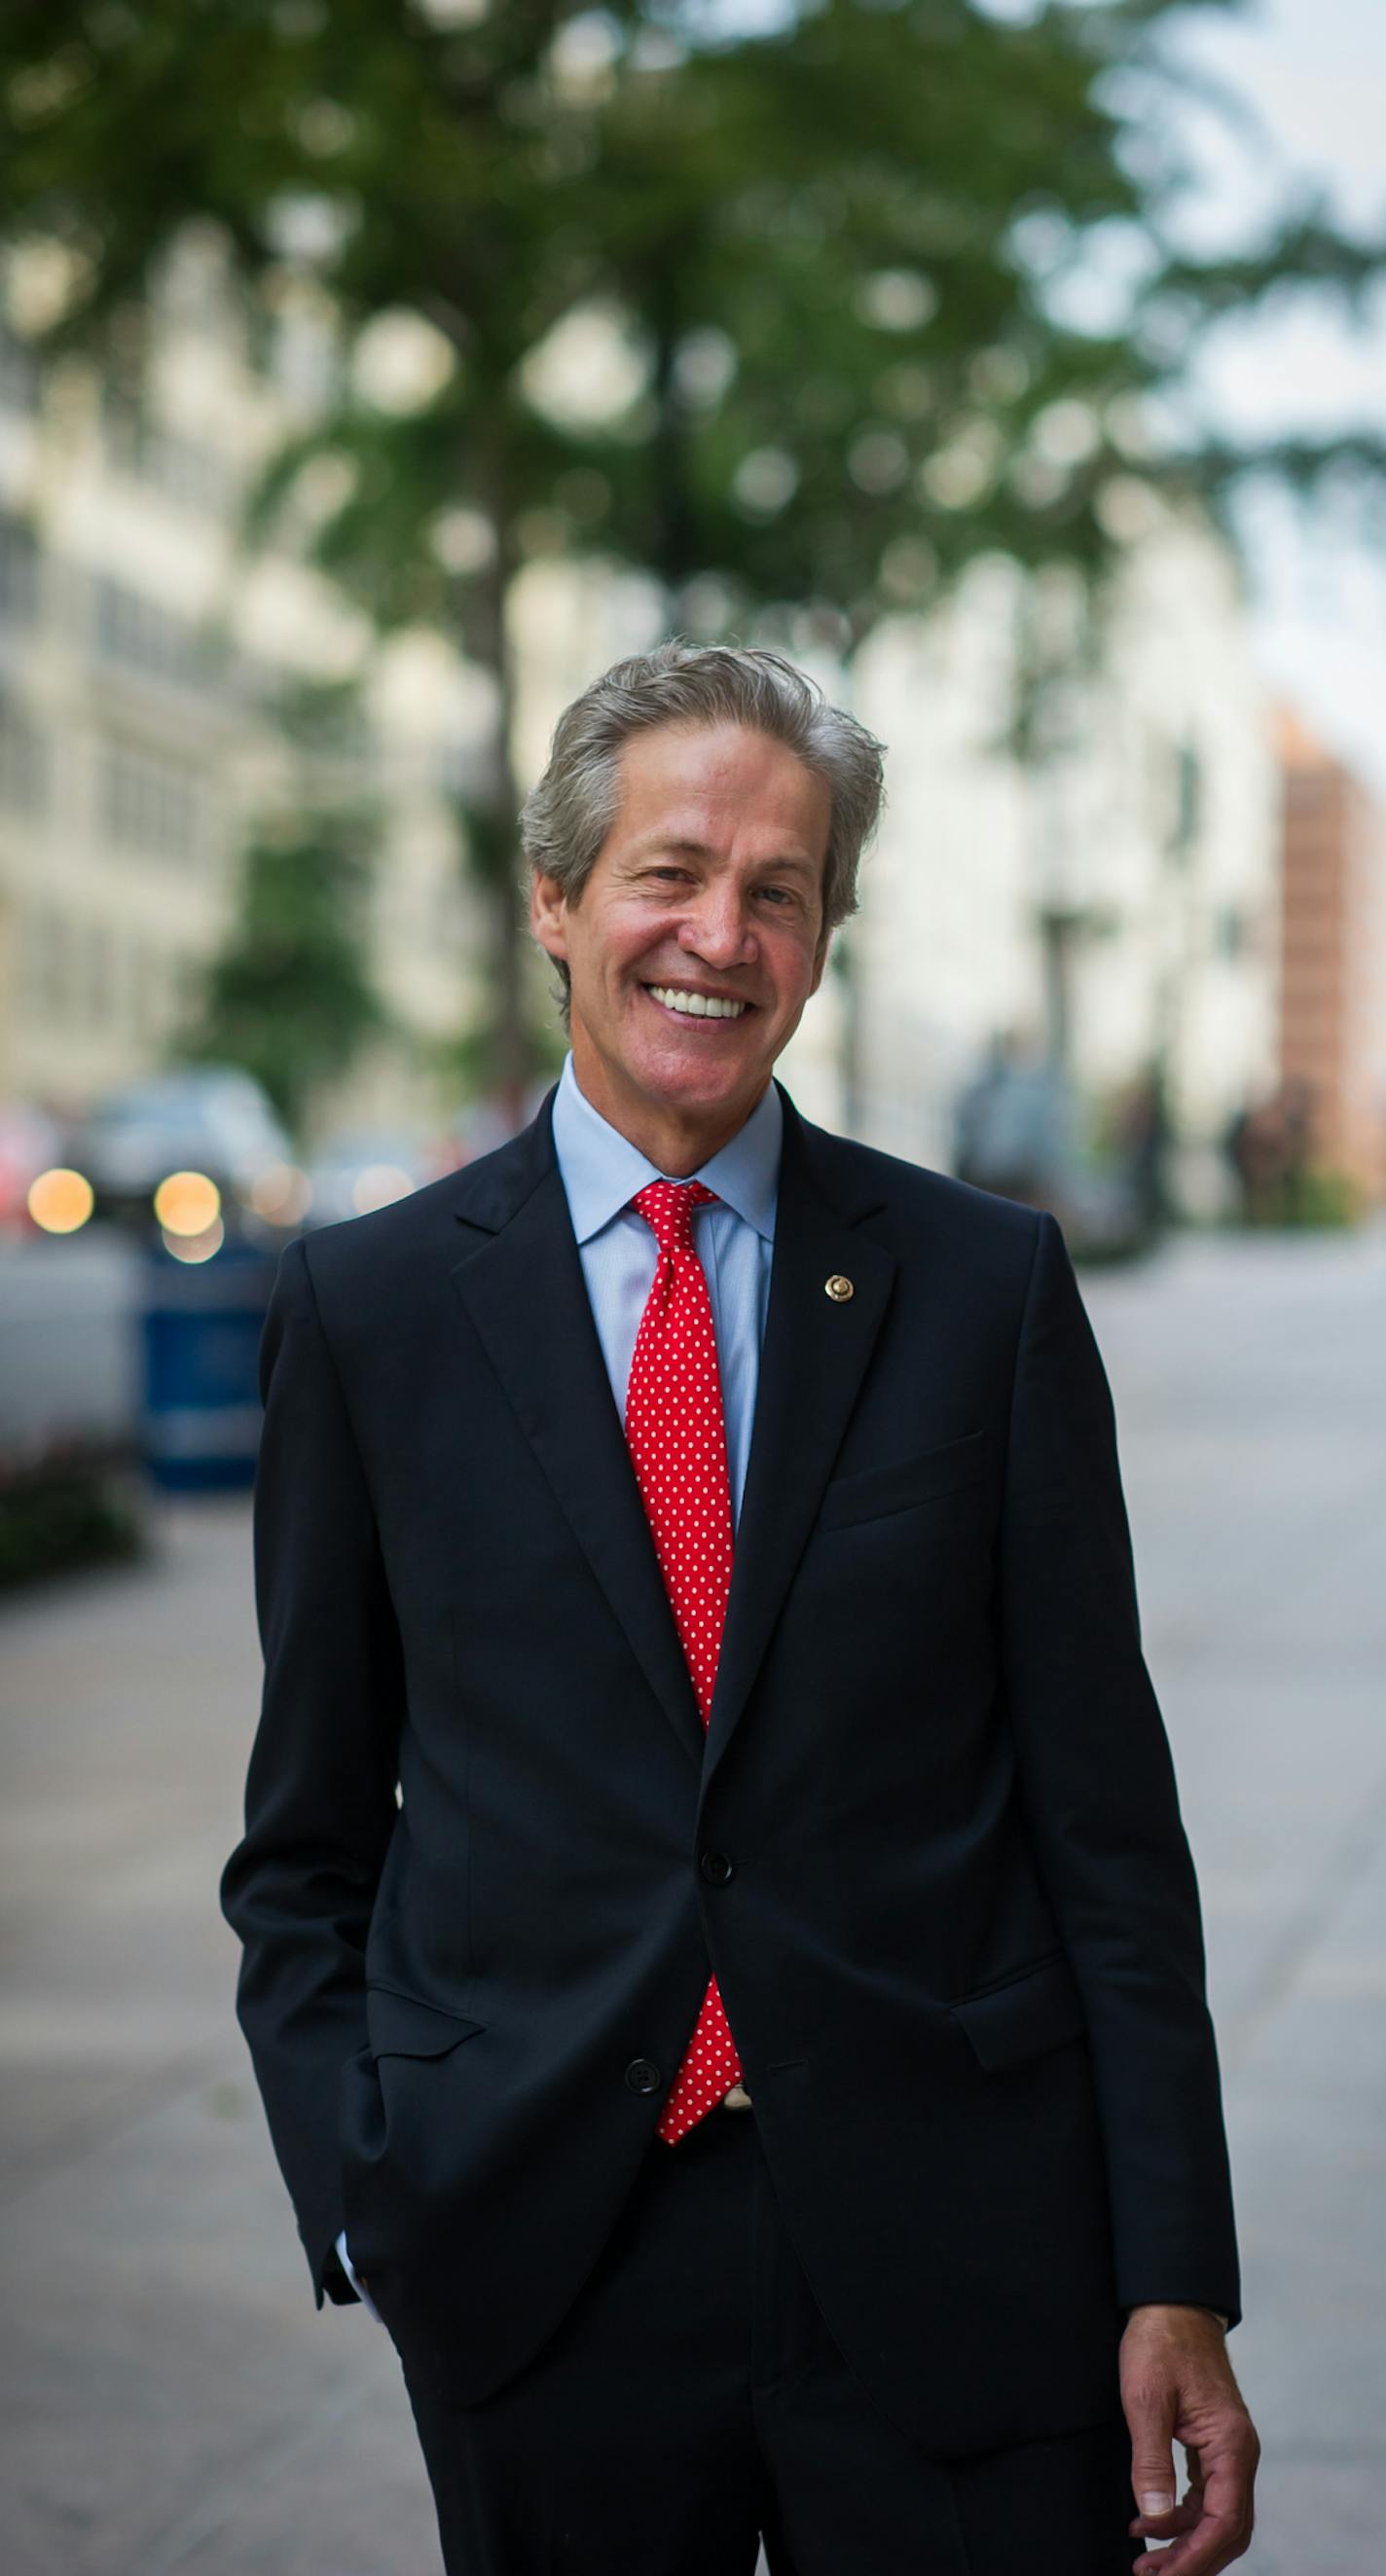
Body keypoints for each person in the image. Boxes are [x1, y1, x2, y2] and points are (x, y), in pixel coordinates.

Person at [222, 641, 1258, 2576]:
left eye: (779, 891)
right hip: (545, 2267)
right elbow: (305, 1848)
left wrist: (1170, 2269)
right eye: (669, 871)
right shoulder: (367, 1317)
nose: (721, 933)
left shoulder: (985, 1291)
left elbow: (1108, 1839)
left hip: (963, 2261)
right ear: (556, 898)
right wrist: (373, 2196)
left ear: (824, 933)